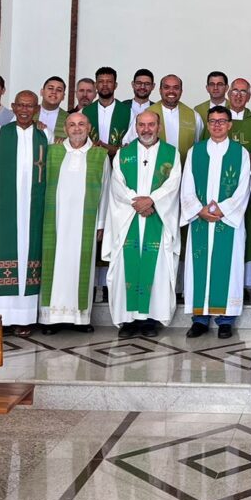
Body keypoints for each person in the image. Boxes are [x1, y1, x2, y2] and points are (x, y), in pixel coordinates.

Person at [0, 91, 48, 336]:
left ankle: (24, 318)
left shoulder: (45, 135)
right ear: (14, 107)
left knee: (30, 255)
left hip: (34, 209)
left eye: (30, 106)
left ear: (37, 109)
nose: (25, 110)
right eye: (21, 105)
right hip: (2, 208)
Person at [104, 110, 181, 338]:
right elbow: (117, 184)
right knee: (126, 268)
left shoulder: (171, 154)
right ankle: (128, 320)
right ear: (136, 127)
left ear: (159, 127)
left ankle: (150, 319)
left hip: (158, 218)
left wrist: (152, 200)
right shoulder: (123, 154)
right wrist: (136, 202)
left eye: (151, 125)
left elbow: (173, 184)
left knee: (156, 268)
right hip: (128, 219)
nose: (146, 129)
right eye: (141, 125)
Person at [180, 105, 251, 339]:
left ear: (230, 125)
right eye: (213, 121)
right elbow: (187, 185)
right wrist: (198, 210)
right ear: (208, 124)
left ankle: (225, 320)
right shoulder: (196, 151)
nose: (217, 125)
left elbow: (243, 188)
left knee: (227, 268)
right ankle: (199, 319)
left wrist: (223, 209)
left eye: (222, 121)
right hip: (200, 220)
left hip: (227, 221)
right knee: (198, 267)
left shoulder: (240, 153)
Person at [39, 111, 109, 333]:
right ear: (65, 129)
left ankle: (80, 318)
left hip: (85, 222)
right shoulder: (53, 152)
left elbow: (106, 190)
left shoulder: (100, 155)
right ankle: (51, 319)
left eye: (81, 124)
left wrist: (101, 223)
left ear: (89, 128)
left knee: (81, 267)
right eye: (72, 124)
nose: (77, 128)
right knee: (54, 265)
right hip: (55, 220)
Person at [227, 78, 251, 291]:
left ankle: (244, 283)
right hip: (222, 188)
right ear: (228, 94)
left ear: (249, 97)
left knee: (247, 231)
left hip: (247, 188)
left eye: (243, 92)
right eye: (235, 91)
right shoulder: (218, 119)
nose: (238, 95)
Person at [140, 74, 203, 161]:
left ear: (181, 91)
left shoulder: (194, 116)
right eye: (166, 87)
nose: (171, 91)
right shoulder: (146, 114)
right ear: (160, 90)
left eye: (176, 88)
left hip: (184, 167)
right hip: (153, 167)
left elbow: (198, 145)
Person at [81, 66, 132, 156]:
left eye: (109, 81)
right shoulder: (84, 112)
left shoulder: (129, 112)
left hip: (118, 161)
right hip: (91, 160)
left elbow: (131, 143)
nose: (105, 85)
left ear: (115, 85)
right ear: (95, 85)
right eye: (101, 81)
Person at [37, 76, 68, 144]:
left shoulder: (69, 119)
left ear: (63, 96)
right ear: (42, 92)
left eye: (59, 90)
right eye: (50, 88)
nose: (54, 92)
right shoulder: (29, 113)